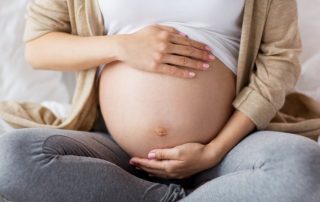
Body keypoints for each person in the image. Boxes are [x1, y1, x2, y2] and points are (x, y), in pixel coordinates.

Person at [0, 0, 320, 201]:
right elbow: (39, 47)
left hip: (228, 150)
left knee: (301, 167)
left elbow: (280, 57)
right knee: (10, 159)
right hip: (118, 153)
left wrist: (214, 150)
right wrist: (121, 47)